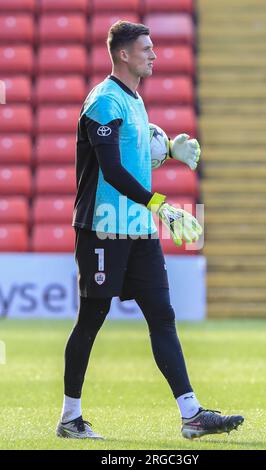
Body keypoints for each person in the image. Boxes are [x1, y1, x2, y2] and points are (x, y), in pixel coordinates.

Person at [56, 21, 244, 440]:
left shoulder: (135, 100)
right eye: (146, 48)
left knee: (162, 316)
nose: (154, 55)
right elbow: (111, 170)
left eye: (153, 47)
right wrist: (160, 204)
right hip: (103, 229)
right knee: (92, 319)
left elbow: (135, 156)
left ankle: (191, 413)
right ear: (123, 54)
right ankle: (70, 418)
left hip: (139, 231)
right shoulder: (104, 101)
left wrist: (169, 152)